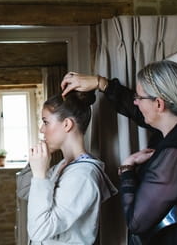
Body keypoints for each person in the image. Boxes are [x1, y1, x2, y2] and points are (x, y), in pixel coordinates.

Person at [60, 60, 177, 245]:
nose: (135, 102)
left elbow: (136, 221)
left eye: (139, 97)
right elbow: (139, 113)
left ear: (159, 104)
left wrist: (127, 171)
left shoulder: (173, 154)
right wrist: (101, 83)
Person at [16, 90, 117, 244]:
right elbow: (24, 191)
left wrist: (40, 176)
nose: (41, 130)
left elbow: (39, 231)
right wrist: (36, 163)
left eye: (46, 122)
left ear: (67, 124)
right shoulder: (63, 165)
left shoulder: (83, 176)